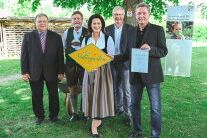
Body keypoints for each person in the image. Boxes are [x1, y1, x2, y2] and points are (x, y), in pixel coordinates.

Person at [109, 2, 168, 138]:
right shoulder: (131, 31)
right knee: (134, 105)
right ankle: (137, 131)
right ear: (135, 15)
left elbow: (164, 51)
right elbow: (127, 54)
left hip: (152, 75)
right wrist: (115, 58)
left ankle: (155, 134)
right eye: (139, 13)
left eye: (144, 13)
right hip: (135, 74)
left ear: (149, 14)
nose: (141, 16)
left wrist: (151, 49)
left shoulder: (157, 30)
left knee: (155, 108)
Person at [21, 13, 64, 125]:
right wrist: (24, 72)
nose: (42, 23)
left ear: (47, 22)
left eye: (44, 21)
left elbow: (60, 56)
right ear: (35, 23)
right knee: (36, 95)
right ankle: (39, 116)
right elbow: (24, 55)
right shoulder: (28, 36)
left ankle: (54, 116)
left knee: (53, 94)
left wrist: (61, 71)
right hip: (34, 71)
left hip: (52, 71)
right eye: (39, 21)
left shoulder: (56, 37)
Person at [81, 14, 115, 138]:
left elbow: (112, 57)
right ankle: (96, 120)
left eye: (99, 23)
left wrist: (102, 60)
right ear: (90, 25)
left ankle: (94, 125)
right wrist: (89, 65)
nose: (96, 25)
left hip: (103, 72)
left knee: (100, 96)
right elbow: (82, 58)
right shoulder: (85, 40)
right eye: (94, 23)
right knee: (90, 95)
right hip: (89, 71)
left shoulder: (107, 39)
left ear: (102, 25)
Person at [105, 6, 134, 126]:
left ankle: (128, 114)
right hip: (112, 63)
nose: (118, 17)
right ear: (113, 16)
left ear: (123, 16)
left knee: (126, 90)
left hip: (125, 63)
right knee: (116, 88)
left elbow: (131, 47)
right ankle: (119, 108)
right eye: (116, 14)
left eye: (120, 15)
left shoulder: (130, 29)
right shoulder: (107, 29)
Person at [62, 11, 88, 122]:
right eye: (74, 18)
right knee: (72, 88)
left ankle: (86, 112)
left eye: (78, 18)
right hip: (70, 65)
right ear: (71, 21)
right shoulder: (67, 32)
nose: (76, 20)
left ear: (82, 20)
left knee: (85, 89)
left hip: (84, 65)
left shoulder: (88, 32)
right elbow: (62, 48)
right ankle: (75, 113)